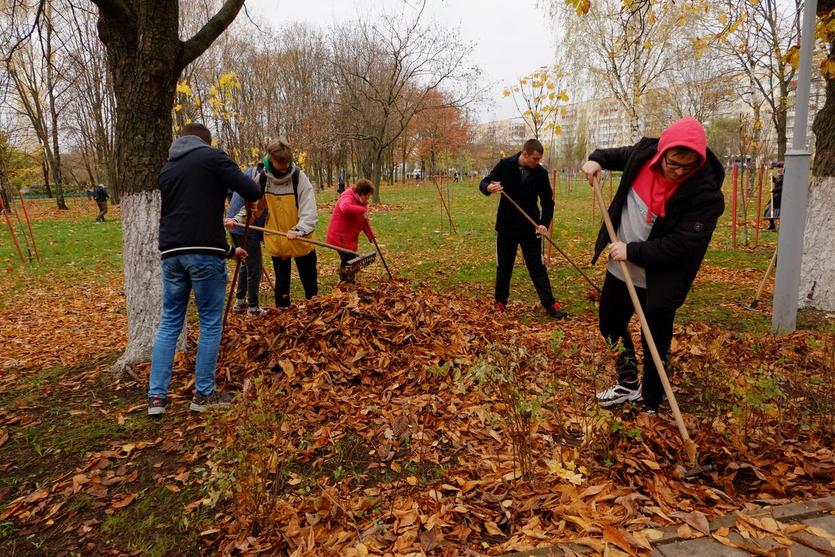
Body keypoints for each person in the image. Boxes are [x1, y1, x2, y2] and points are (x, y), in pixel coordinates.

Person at [581, 116, 725, 413]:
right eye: (673, 163)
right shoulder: (643, 153)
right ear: (662, 153)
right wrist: (596, 160)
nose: (678, 172)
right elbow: (613, 155)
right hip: (621, 269)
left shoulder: (706, 194)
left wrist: (632, 250)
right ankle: (628, 381)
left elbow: (683, 245)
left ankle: (651, 401)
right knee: (610, 325)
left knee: (655, 342)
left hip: (661, 279)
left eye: (687, 166)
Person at [148, 123, 260, 417]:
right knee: (211, 323)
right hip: (204, 257)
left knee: (170, 321)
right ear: (205, 141)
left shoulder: (168, 169)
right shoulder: (212, 157)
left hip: (172, 254)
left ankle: (156, 398)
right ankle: (204, 394)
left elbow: (189, 219)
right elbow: (252, 188)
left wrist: (229, 251)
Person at [479, 138, 566, 319]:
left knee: (537, 266)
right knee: (504, 266)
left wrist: (543, 223)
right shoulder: (505, 165)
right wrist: (489, 187)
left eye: (539, 159)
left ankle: (550, 303)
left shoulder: (540, 173)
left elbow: (548, 202)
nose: (537, 162)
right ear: (524, 154)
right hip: (506, 227)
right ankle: (500, 301)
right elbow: (484, 182)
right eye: (535, 158)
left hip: (531, 228)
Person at [233, 138, 318, 308]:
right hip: (278, 239)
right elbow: (253, 206)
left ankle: (315, 313)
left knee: (310, 283)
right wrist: (238, 219)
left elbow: (309, 208)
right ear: (271, 159)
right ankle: (282, 316)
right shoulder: (263, 178)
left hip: (301, 238)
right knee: (282, 286)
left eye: (287, 162)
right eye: (281, 163)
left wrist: (300, 229)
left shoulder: (298, 178)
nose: (285, 166)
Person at [224, 165, 268, 315]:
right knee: (255, 268)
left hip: (234, 223)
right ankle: (253, 308)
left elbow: (230, 191)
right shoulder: (264, 177)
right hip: (245, 226)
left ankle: (240, 301)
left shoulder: (248, 171)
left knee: (245, 262)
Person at [326, 179, 376, 282]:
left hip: (349, 238)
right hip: (339, 237)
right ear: (360, 193)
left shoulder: (362, 202)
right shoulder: (347, 196)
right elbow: (345, 208)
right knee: (350, 259)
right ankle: (347, 282)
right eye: (367, 196)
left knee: (349, 259)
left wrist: (372, 237)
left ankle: (346, 280)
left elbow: (364, 222)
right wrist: (363, 210)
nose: (368, 199)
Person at [766, 165, 783, 230]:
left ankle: (779, 226)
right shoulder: (779, 176)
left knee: (776, 212)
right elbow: (777, 182)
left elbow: (782, 187)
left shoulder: (785, 176)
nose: (779, 169)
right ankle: (772, 225)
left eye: (780, 168)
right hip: (775, 196)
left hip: (780, 197)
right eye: (778, 168)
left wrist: (774, 190)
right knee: (768, 209)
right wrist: (772, 178)